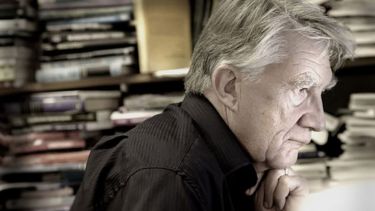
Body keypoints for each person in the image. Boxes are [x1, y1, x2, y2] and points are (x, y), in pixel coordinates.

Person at [70, 0, 355, 210]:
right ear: (229, 86)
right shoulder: (172, 179)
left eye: (321, 93)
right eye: (301, 89)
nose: (317, 121)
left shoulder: (231, 168)